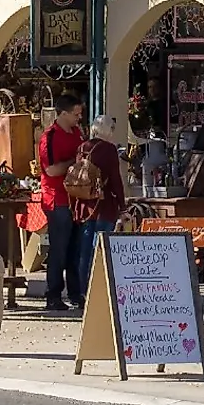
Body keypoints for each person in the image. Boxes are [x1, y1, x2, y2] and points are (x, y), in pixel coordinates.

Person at [34, 92, 89, 313]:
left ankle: (76, 293)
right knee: (59, 249)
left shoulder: (77, 132)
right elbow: (51, 169)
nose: (79, 117)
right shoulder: (50, 137)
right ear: (63, 113)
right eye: (75, 113)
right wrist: (75, 163)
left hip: (76, 198)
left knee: (76, 248)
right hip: (57, 200)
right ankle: (53, 295)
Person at [72, 113, 131, 294]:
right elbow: (115, 180)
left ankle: (83, 291)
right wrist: (123, 206)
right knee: (100, 249)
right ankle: (96, 290)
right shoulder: (109, 149)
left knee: (84, 251)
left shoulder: (82, 147)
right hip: (104, 206)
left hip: (85, 205)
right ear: (108, 130)